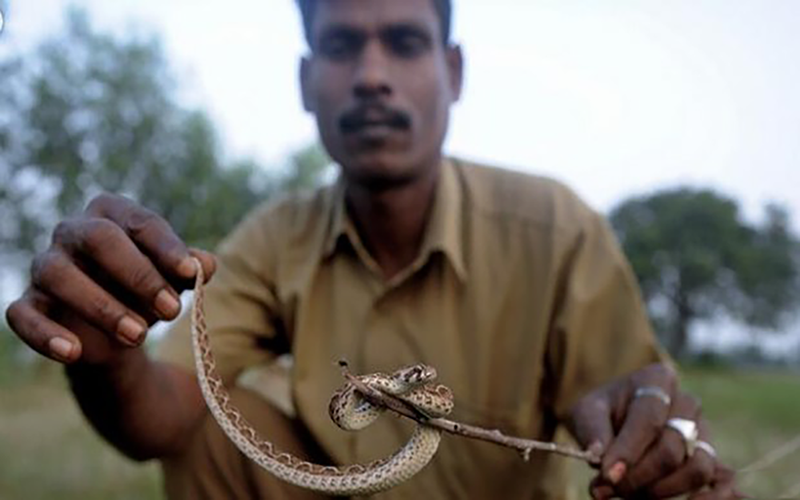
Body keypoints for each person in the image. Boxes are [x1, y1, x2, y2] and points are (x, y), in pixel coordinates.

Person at [6, 0, 740, 498]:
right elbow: (162, 418)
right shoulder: (272, 237)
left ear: (453, 74)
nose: (372, 76)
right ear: (306, 80)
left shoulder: (556, 227)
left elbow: (640, 409)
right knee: (216, 427)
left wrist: (652, 437)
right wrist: (107, 355)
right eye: (341, 45)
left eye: (405, 42)